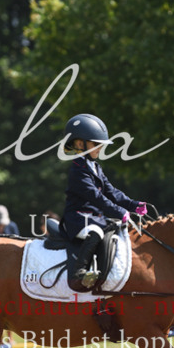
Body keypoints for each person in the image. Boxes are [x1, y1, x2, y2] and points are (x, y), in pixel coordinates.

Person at [61, 114, 149, 289]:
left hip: (93, 216)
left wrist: (133, 205)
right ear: (80, 144)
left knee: (115, 229)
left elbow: (111, 192)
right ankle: (78, 273)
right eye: (96, 144)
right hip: (78, 219)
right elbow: (97, 197)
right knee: (95, 232)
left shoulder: (95, 167)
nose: (100, 148)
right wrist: (119, 212)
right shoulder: (78, 171)